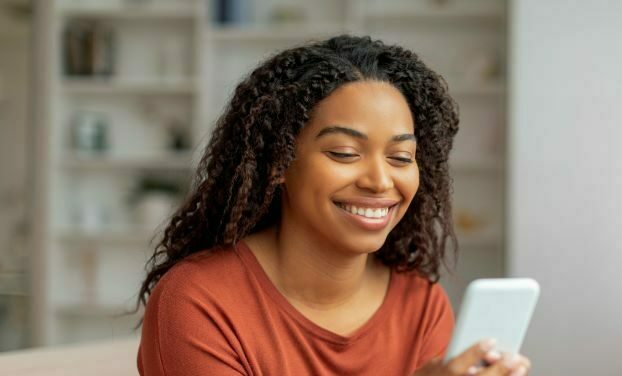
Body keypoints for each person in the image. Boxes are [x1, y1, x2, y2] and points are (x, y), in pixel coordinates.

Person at [134, 35, 531, 376]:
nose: (379, 181)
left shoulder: (420, 304)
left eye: (401, 157)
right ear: (279, 164)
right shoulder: (197, 302)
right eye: (344, 152)